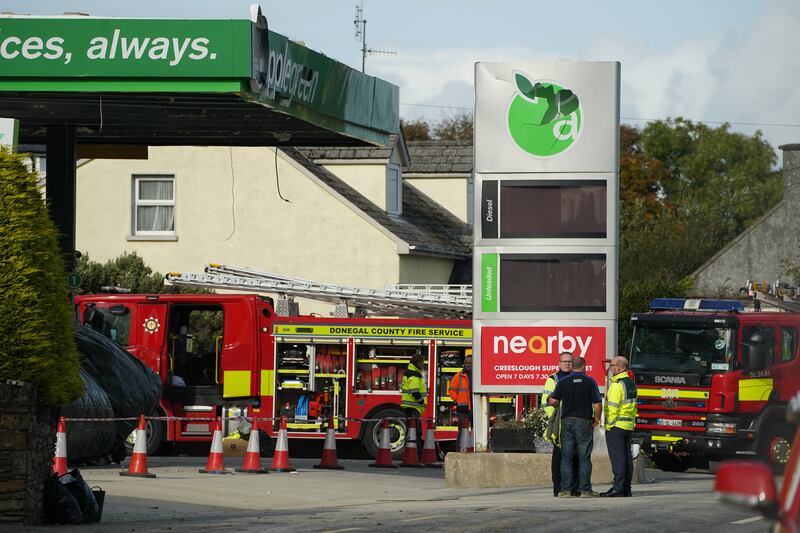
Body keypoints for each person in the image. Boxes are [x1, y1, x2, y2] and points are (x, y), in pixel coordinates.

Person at [548, 356, 602, 498]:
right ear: (584, 367)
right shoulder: (590, 382)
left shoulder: (563, 381)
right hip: (583, 422)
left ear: (572, 366)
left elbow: (553, 400)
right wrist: (596, 419)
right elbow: (597, 404)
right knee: (584, 458)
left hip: (566, 422)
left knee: (566, 458)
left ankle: (565, 490)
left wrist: (558, 404)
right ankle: (585, 490)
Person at [541, 352, 579, 497]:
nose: (567, 364)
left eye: (570, 361)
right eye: (564, 361)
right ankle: (558, 487)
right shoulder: (553, 379)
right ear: (559, 363)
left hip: (574, 423)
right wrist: (556, 418)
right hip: (560, 424)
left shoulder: (577, 378)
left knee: (574, 456)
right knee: (559, 457)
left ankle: (573, 487)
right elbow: (546, 402)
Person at [601, 356, 638, 498]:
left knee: (618, 459)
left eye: (612, 365)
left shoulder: (617, 385)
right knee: (627, 458)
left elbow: (613, 408)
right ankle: (626, 488)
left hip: (616, 426)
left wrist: (608, 425)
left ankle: (617, 488)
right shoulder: (631, 384)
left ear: (620, 367)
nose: (611, 368)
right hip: (627, 425)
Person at [401, 352, 427, 456]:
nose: (423, 365)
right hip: (413, 407)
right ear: (417, 363)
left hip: (411, 407)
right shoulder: (414, 375)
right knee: (414, 432)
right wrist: (421, 401)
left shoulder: (411, 373)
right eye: (422, 363)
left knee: (413, 432)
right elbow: (415, 391)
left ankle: (412, 454)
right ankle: (415, 455)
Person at [448, 350, 472, 450]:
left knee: (476, 431)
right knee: (462, 431)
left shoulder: (478, 375)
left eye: (470, 363)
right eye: (466, 363)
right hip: (463, 408)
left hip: (475, 408)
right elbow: (451, 390)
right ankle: (459, 451)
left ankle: (472, 449)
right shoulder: (458, 376)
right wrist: (458, 400)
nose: (468, 365)